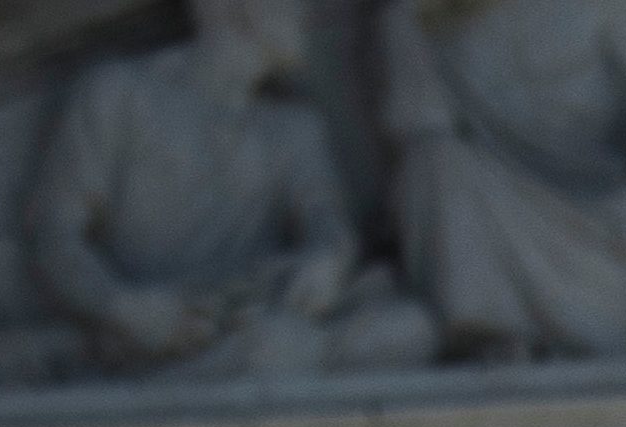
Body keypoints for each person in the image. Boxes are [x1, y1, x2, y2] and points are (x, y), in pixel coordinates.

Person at [22, 0, 446, 373]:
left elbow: (327, 224)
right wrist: (125, 308)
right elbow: (54, 231)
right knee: (275, 348)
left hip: (255, 316)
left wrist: (327, 263)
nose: (306, 14)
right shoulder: (119, 94)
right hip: (149, 335)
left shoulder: (291, 130)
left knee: (410, 328)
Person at [387, 0, 626, 356]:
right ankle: (490, 333)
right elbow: (414, 121)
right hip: (504, 191)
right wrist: (405, 27)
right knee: (434, 165)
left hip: (604, 192)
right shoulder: (434, 22)